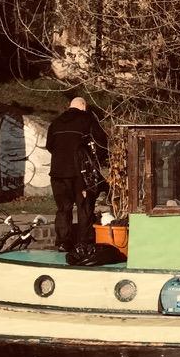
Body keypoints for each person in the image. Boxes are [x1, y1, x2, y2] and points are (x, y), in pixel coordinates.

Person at [45, 96, 109, 251]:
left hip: (58, 173)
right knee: (84, 207)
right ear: (84, 107)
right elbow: (101, 143)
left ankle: (62, 242)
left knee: (63, 209)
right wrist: (96, 160)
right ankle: (84, 242)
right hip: (80, 173)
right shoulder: (87, 119)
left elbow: (49, 145)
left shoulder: (56, 122)